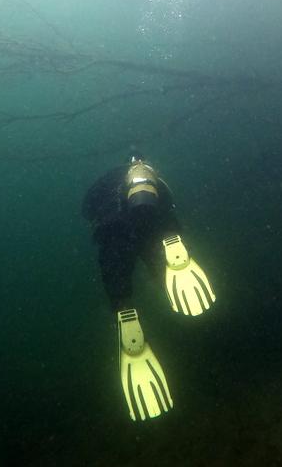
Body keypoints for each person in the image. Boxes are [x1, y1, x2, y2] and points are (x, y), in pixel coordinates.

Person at [82, 152, 217, 421]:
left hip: (112, 229)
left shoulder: (105, 182)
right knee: (160, 259)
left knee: (116, 274)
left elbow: (87, 210)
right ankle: (172, 246)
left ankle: (124, 311)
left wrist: (99, 215)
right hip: (149, 222)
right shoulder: (149, 174)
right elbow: (167, 201)